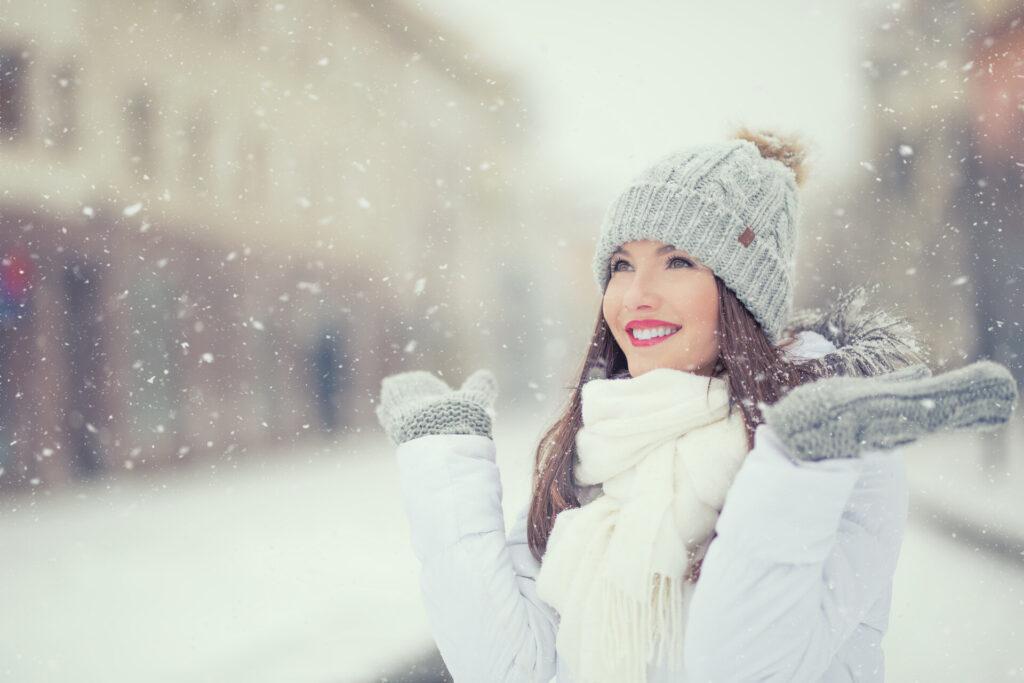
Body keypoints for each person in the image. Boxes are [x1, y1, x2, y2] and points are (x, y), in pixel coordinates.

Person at [375, 128, 1019, 682]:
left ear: (742, 295)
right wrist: (445, 464)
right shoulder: (599, 445)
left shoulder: (839, 449)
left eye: (677, 261)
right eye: (622, 265)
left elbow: (744, 666)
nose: (636, 295)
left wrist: (799, 465)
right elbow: (510, 669)